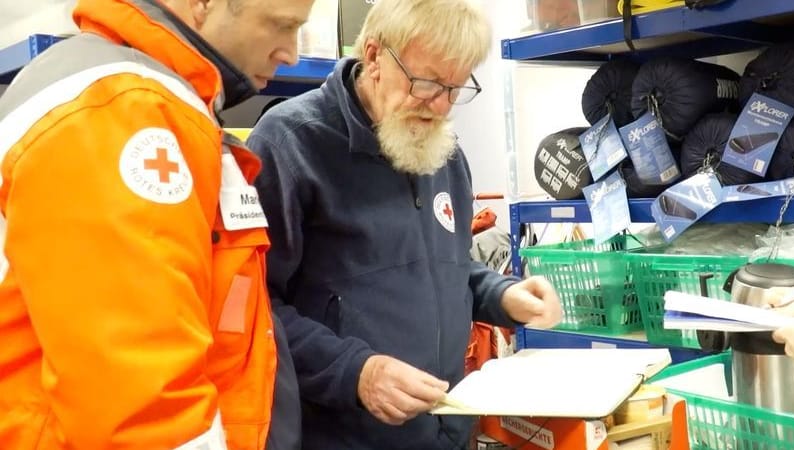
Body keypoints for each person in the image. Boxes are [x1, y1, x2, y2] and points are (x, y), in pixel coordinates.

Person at [246, 0, 563, 448]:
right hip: (342, 437)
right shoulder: (290, 144)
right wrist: (356, 372)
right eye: (427, 82)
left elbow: (442, 269)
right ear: (374, 56)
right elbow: (256, 307)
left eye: (457, 87)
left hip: (447, 433)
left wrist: (501, 293)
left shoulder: (442, 150)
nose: (441, 105)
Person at [0, 0, 314, 448]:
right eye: (282, 27)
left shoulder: (162, 103)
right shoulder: (120, 112)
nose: (291, 53)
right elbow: (140, 402)